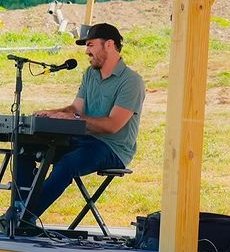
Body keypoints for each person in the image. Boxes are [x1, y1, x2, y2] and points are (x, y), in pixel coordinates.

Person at [15, 22, 145, 226]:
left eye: (91, 45)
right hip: (84, 139)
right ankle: (20, 211)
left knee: (67, 163)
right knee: (24, 147)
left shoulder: (131, 81)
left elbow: (112, 125)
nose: (87, 51)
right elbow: (76, 109)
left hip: (112, 148)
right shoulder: (90, 74)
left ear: (109, 45)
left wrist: (74, 119)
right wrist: (54, 113)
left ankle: (22, 218)